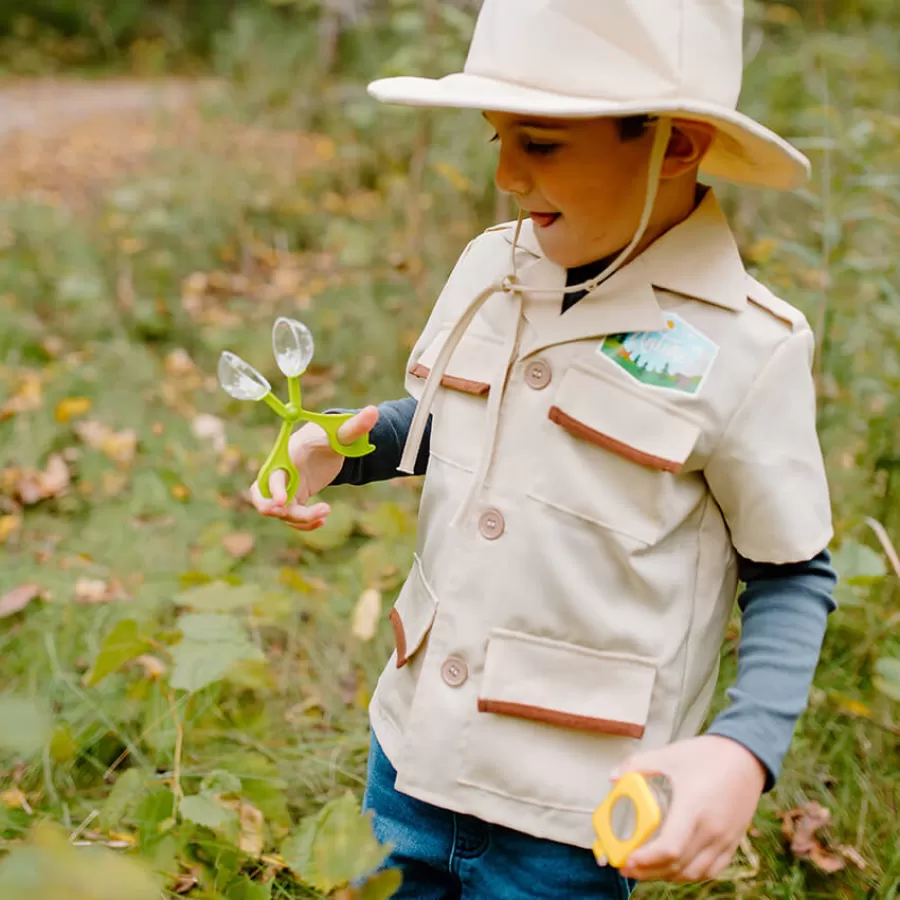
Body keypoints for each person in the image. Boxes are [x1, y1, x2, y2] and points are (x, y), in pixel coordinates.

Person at [250, 1, 838, 896]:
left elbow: (791, 573)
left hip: (570, 813)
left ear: (675, 145)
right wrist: (341, 446)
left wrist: (741, 750)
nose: (508, 173)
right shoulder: (491, 269)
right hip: (410, 751)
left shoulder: (748, 346)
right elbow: (452, 427)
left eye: (543, 141)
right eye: (497, 137)